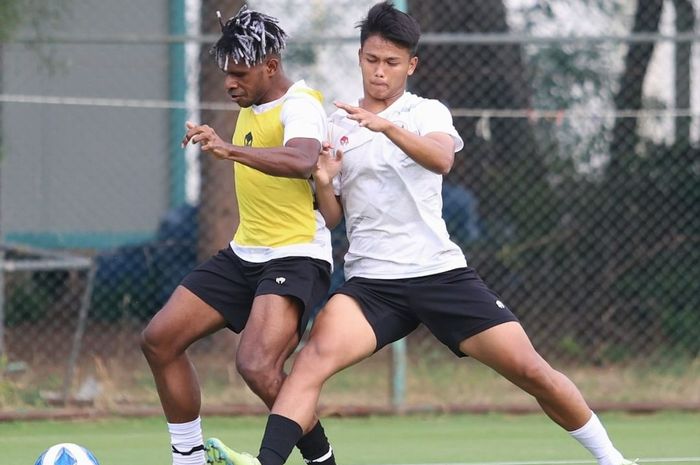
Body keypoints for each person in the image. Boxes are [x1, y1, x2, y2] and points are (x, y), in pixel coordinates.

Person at [203, 3, 635, 465]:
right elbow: (332, 218)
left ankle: (612, 459)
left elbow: (441, 159)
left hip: (439, 274)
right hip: (372, 285)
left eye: (391, 63)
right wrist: (325, 182)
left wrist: (386, 126)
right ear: (360, 58)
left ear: (411, 65)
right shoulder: (337, 123)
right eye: (371, 60)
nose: (380, 72)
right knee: (309, 364)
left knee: (532, 371)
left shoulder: (427, 112)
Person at [140, 6, 337, 465]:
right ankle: (187, 457)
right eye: (226, 74)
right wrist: (218, 139)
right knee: (159, 339)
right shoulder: (251, 101)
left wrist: (227, 150)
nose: (231, 83)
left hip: (295, 257)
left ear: (271, 66)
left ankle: (321, 461)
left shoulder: (300, 104)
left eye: (241, 74)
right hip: (244, 254)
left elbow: (303, 159)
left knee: (257, 367)